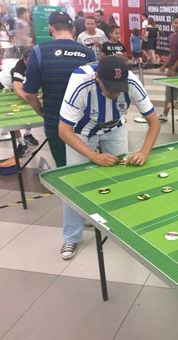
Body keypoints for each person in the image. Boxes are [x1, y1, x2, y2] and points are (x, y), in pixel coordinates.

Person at [58, 56, 161, 260]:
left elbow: (154, 122)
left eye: (118, 88)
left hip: (115, 128)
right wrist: (93, 156)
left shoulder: (131, 81)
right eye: (110, 88)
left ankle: (118, 226)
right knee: (76, 183)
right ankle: (71, 237)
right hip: (81, 131)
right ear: (97, 78)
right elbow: (63, 130)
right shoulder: (80, 80)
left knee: (121, 176)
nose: (115, 93)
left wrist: (143, 152)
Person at [23, 11, 96, 168]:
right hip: (85, 121)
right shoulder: (88, 53)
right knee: (88, 166)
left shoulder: (39, 52)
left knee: (63, 167)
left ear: (51, 28)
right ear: (73, 30)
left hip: (55, 120)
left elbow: (29, 92)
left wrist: (42, 112)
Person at [0, 49, 38, 157]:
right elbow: (17, 87)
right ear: (24, 59)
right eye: (29, 61)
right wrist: (32, 99)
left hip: (20, 85)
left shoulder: (36, 62)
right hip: (4, 86)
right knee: (12, 118)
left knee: (30, 109)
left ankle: (27, 135)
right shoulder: (19, 67)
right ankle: (21, 143)